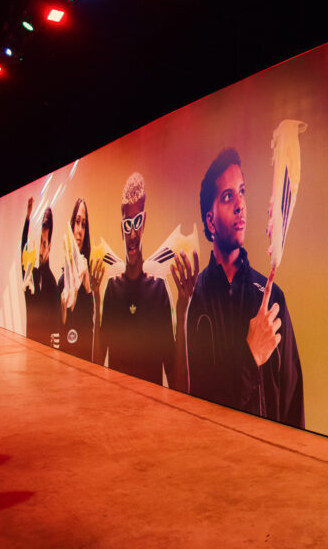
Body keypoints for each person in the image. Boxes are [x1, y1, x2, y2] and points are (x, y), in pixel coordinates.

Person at [186, 148, 303, 427]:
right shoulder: (194, 298)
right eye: (228, 197)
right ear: (210, 221)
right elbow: (199, 408)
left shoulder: (272, 298)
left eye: (242, 192)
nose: (240, 205)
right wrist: (252, 356)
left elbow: (292, 402)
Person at [92, 173, 193, 390]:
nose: (132, 234)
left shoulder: (159, 289)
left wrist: (182, 311)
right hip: (117, 406)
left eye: (137, 222)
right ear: (121, 229)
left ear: (144, 222)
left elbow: (178, 385)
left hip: (150, 409)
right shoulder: (112, 289)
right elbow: (96, 367)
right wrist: (95, 301)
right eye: (127, 225)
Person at [58, 199, 94, 360]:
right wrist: (63, 311)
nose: (79, 230)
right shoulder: (61, 282)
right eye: (77, 222)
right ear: (72, 225)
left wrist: (88, 290)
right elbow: (58, 333)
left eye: (84, 225)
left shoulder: (90, 281)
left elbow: (92, 333)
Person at [22, 200, 61, 346]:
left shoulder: (52, 283)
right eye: (40, 243)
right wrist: (28, 218)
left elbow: (56, 327)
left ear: (49, 247)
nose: (41, 250)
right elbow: (23, 252)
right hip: (28, 345)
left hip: (43, 352)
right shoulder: (32, 274)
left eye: (44, 244)